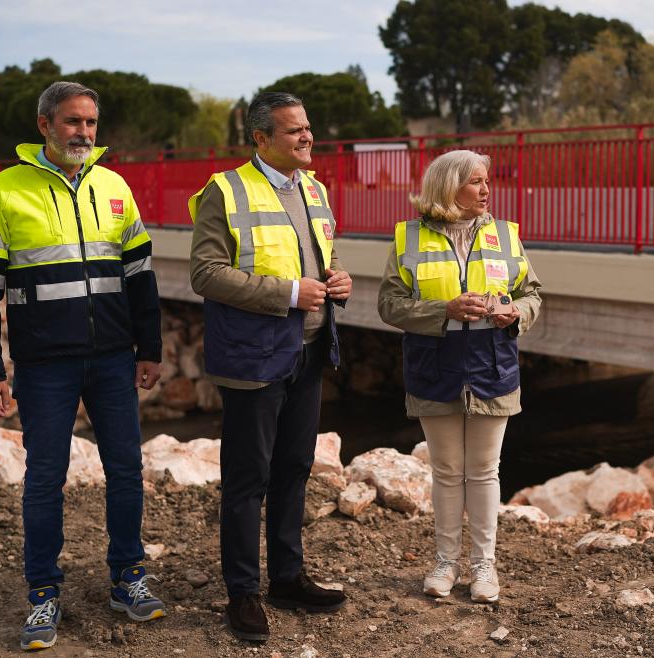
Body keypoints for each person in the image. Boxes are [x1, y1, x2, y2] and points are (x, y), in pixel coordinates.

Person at [0, 81, 166, 651]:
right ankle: (43, 593)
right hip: (44, 363)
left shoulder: (115, 187)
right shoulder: (3, 192)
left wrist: (148, 348)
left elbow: (141, 277)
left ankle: (127, 576)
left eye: (91, 123)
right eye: (72, 122)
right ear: (45, 125)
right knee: (44, 479)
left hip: (111, 359)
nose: (83, 133)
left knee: (126, 470)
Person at [188, 91, 351, 643]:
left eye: (308, 128)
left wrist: (337, 282)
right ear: (260, 139)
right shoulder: (225, 191)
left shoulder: (316, 189)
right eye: (293, 131)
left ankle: (286, 577)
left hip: (306, 351)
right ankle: (242, 591)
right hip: (253, 357)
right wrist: (287, 293)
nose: (307, 137)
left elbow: (318, 262)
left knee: (294, 469)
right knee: (247, 478)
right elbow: (206, 274)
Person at [377, 149, 542, 603]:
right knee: (448, 471)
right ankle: (446, 563)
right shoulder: (408, 237)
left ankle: (483, 566)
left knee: (485, 471)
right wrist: (443, 310)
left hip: (492, 365)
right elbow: (389, 305)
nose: (486, 190)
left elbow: (533, 294)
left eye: (487, 181)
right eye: (476, 182)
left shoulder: (506, 235)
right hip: (435, 367)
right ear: (449, 186)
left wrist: (516, 312)